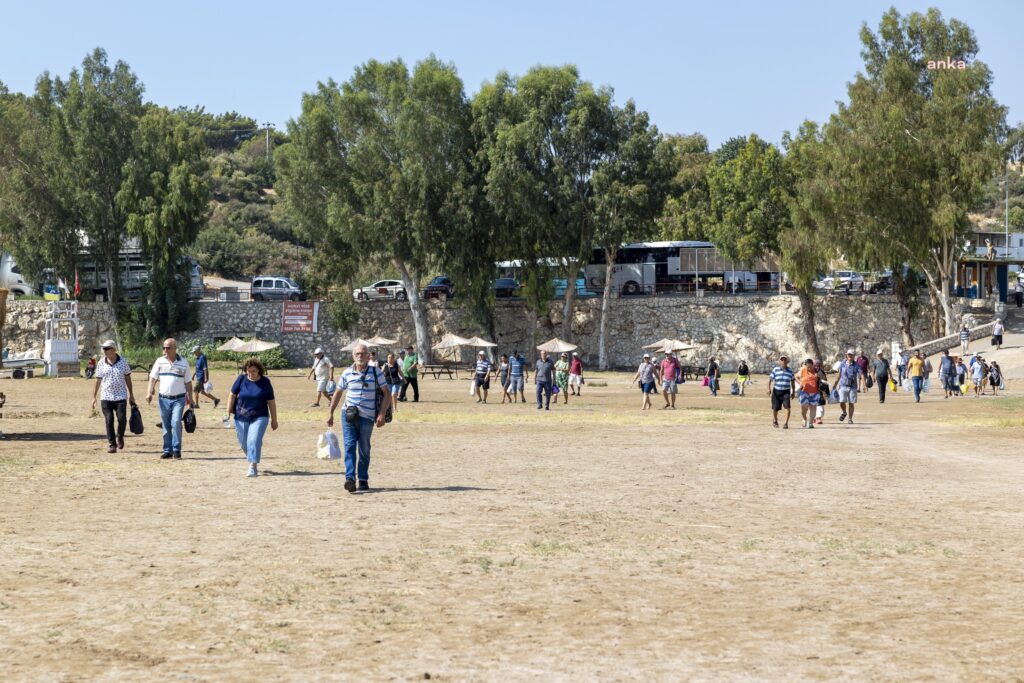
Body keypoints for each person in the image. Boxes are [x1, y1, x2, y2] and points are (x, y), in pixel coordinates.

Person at [326, 343, 391, 492]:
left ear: (368, 356)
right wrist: (330, 413)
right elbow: (338, 393)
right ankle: (350, 479)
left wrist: (381, 414)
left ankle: (363, 479)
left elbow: (386, 393)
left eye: (363, 354)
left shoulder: (376, 373)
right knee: (349, 446)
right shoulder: (347, 373)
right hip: (348, 415)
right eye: (357, 354)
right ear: (353, 356)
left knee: (364, 448)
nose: (360, 356)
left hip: (367, 416)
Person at [227, 357, 278, 477]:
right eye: (248, 371)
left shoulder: (265, 382)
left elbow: (271, 402)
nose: (250, 373)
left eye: (253, 371)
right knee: (244, 443)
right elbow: (232, 394)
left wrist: (274, 420)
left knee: (253, 440)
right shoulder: (241, 379)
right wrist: (228, 410)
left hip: (260, 416)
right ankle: (253, 454)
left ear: (259, 370)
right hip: (241, 416)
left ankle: (253, 466)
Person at [146, 338, 193, 459]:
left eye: (168, 348)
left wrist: (191, 399)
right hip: (163, 399)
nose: (165, 350)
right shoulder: (160, 361)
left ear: (175, 348)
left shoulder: (184, 362)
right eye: (164, 347)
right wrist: (149, 391)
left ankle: (176, 449)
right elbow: (153, 377)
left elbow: (188, 382)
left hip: (179, 398)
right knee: (166, 425)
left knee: (176, 421)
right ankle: (168, 450)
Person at [91, 339, 136, 454]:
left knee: (122, 419)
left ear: (114, 349)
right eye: (103, 349)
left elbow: (128, 378)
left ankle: (120, 436)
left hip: (120, 396)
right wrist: (93, 397)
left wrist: (131, 395)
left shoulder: (123, 362)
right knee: (109, 420)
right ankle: (112, 444)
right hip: (106, 397)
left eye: (107, 349)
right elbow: (98, 380)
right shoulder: (101, 362)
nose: (104, 351)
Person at [767, 355, 795, 429]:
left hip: (786, 392)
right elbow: (770, 379)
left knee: (788, 408)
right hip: (776, 391)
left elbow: (792, 381)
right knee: (775, 408)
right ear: (779, 362)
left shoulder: (790, 371)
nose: (783, 361)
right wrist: (769, 389)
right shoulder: (775, 369)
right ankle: (775, 420)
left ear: (787, 362)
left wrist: (793, 392)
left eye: (785, 360)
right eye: (782, 360)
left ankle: (786, 423)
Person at [796, 358, 823, 429]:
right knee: (803, 408)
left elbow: (823, 379)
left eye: (810, 366)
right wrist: (800, 383)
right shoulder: (802, 370)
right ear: (805, 365)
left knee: (813, 408)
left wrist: (819, 376)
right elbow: (796, 377)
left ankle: (810, 423)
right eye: (808, 367)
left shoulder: (816, 371)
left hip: (815, 393)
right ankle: (804, 419)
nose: (809, 368)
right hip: (804, 392)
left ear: (813, 365)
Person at [836, 349, 863, 423]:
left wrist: (864, 385)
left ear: (854, 356)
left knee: (851, 403)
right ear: (846, 355)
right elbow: (839, 374)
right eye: (848, 354)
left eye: (851, 355)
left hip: (852, 386)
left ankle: (850, 419)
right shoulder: (842, 364)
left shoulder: (856, 365)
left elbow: (861, 374)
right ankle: (844, 412)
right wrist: (835, 384)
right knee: (841, 401)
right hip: (843, 385)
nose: (850, 356)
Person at [813, 359, 828, 425]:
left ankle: (817, 418)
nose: (816, 366)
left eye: (817, 364)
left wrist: (826, 392)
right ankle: (816, 418)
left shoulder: (821, 372)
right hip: (812, 391)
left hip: (820, 391)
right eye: (815, 365)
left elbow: (825, 382)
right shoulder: (811, 372)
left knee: (820, 404)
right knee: (815, 405)